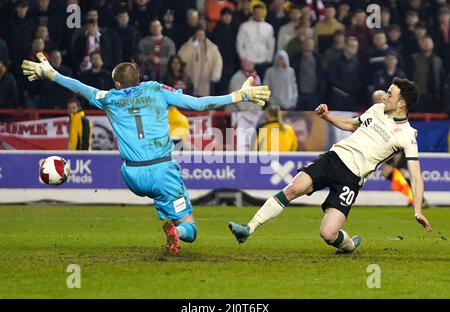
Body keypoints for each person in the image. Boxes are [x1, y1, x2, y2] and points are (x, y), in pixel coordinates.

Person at [22, 52, 270, 256]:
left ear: (117, 84)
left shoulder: (109, 98)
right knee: (190, 228)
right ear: (138, 79)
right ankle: (177, 232)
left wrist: (51, 73)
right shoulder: (156, 90)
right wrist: (239, 95)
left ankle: (169, 216)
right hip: (161, 169)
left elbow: (80, 87)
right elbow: (199, 104)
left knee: (159, 194)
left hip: (131, 175)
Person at [229, 78, 432, 254]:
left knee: (328, 233)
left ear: (401, 103)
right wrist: (327, 117)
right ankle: (248, 228)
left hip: (351, 180)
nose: (384, 97)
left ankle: (350, 245)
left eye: (390, 94)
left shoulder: (407, 135)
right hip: (333, 158)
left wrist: (417, 209)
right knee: (294, 188)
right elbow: (353, 124)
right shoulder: (377, 109)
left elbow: (415, 176)